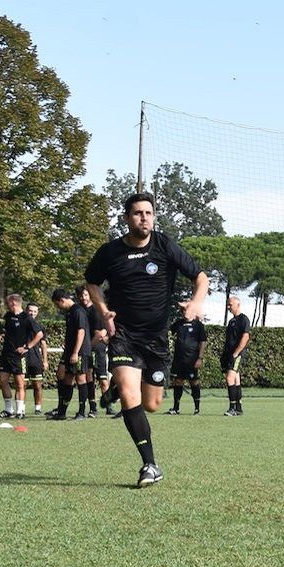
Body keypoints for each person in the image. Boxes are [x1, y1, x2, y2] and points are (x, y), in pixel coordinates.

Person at [82, 192, 207, 486]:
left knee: (151, 404)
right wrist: (102, 310)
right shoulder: (110, 252)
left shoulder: (164, 245)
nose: (144, 218)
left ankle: (120, 386)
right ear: (126, 218)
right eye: (138, 213)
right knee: (129, 394)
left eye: (148, 213)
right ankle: (150, 464)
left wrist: (196, 302)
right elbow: (92, 282)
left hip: (156, 338)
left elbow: (201, 277)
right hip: (124, 334)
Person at [47, 287, 96, 420]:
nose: (58, 307)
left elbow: (81, 332)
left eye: (57, 304)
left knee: (81, 378)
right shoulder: (70, 312)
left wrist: (75, 352)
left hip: (80, 352)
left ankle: (81, 412)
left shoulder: (78, 311)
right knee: (66, 379)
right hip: (70, 351)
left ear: (62, 300)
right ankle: (62, 412)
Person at [0, 293, 34, 419]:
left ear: (13, 303)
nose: (7, 306)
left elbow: (39, 334)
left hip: (19, 357)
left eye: (8, 303)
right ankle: (9, 410)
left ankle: (20, 411)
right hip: (6, 355)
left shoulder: (27, 317)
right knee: (2, 381)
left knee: (19, 384)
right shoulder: (8, 316)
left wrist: (27, 347)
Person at [167, 308, 207, 414]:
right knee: (177, 381)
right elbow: (168, 332)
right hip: (178, 359)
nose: (185, 313)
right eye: (183, 311)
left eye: (187, 311)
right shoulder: (178, 323)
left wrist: (200, 358)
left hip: (192, 360)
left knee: (194, 382)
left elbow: (202, 342)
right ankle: (176, 408)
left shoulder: (198, 325)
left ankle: (197, 408)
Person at [221, 294, 252, 416]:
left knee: (229, 378)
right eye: (228, 304)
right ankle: (239, 408)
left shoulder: (244, 319)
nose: (228, 307)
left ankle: (232, 408)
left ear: (238, 305)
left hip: (237, 354)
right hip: (230, 354)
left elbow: (245, 337)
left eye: (230, 305)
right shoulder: (231, 321)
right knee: (236, 379)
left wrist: (236, 353)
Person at [24, 302, 47, 416]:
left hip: (35, 359)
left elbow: (43, 345)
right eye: (30, 310)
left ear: (37, 313)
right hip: (23, 358)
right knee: (21, 385)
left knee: (37, 385)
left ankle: (38, 408)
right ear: (26, 310)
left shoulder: (40, 327)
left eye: (34, 311)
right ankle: (21, 408)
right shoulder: (21, 324)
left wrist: (45, 360)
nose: (32, 313)